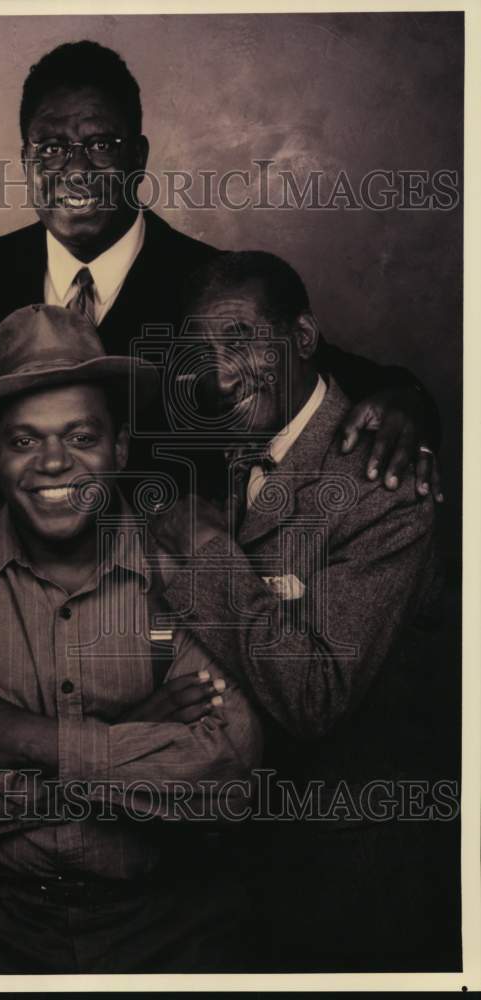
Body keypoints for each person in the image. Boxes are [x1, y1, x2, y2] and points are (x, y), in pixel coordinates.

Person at [0, 40, 442, 514]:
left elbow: (317, 373)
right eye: (51, 144)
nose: (75, 165)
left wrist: (402, 397)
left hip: (159, 610)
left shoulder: (205, 282)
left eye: (100, 142)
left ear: (138, 155)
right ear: (24, 157)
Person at [0, 304, 263, 974]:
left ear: (120, 449)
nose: (53, 464)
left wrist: (24, 739)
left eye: (80, 438)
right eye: (24, 442)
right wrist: (132, 738)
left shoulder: (186, 567)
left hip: (167, 921)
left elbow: (225, 777)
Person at [150, 251, 459, 971]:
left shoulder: (384, 484)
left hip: (352, 876)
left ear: (302, 336)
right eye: (204, 351)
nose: (220, 373)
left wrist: (206, 553)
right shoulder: (233, 445)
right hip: (238, 863)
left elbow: (315, 696)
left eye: (240, 341)